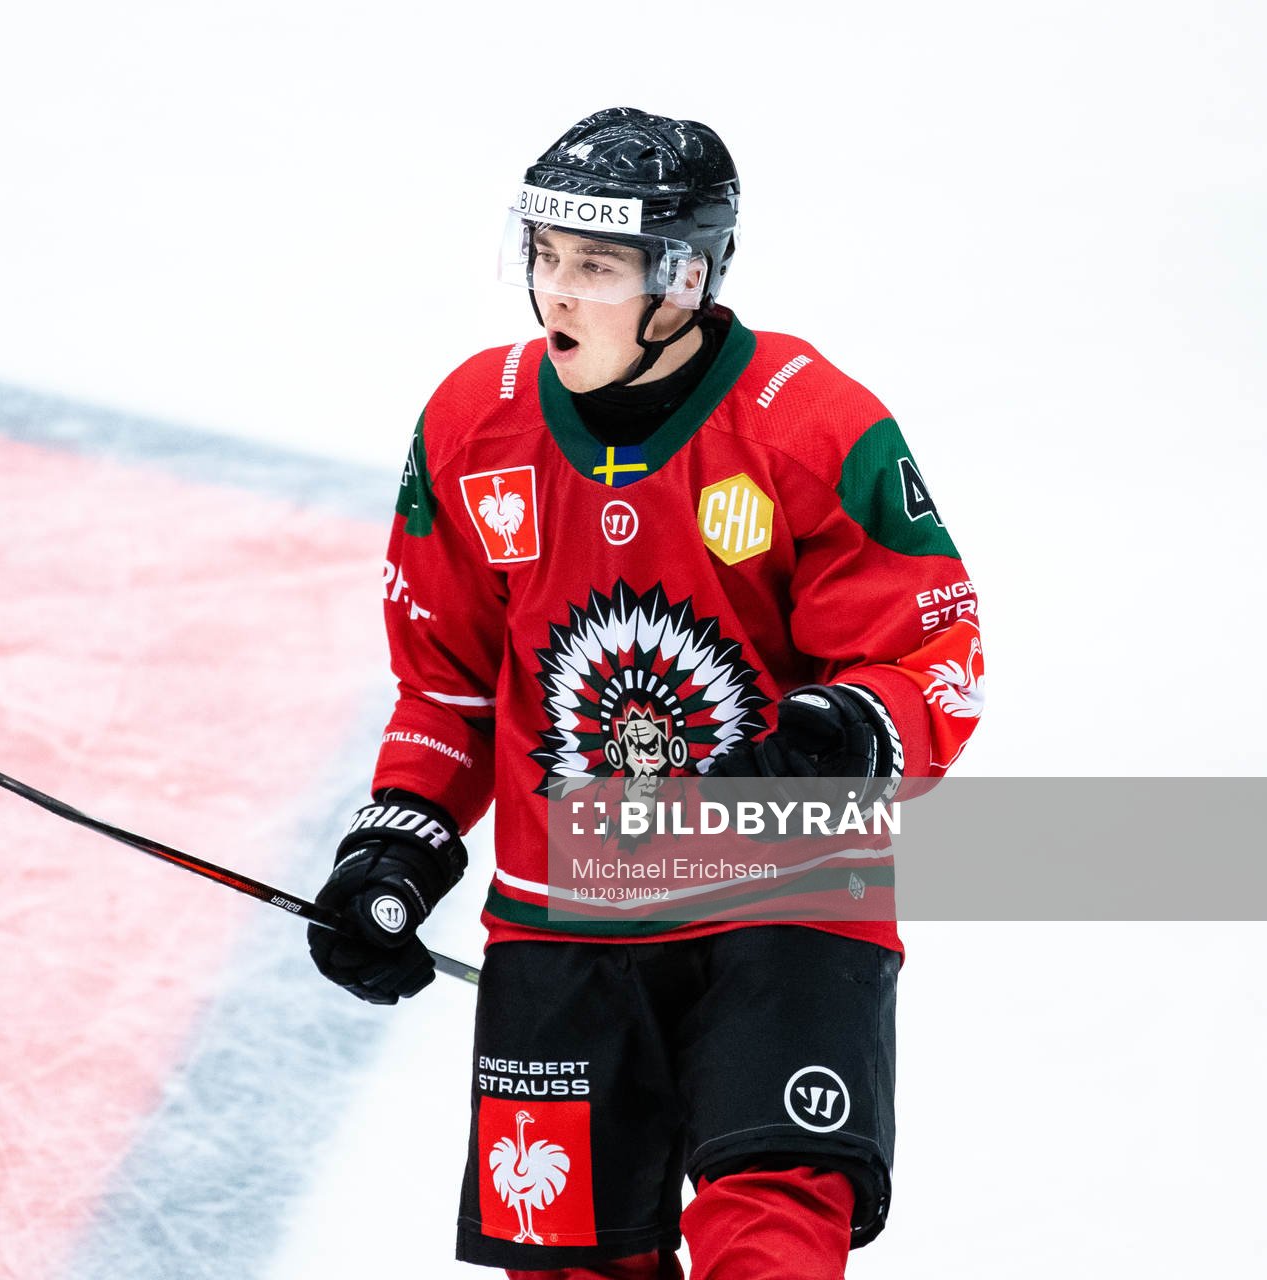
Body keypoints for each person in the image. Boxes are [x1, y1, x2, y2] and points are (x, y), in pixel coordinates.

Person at [307, 107, 984, 1280]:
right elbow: (447, 681)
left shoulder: (815, 424)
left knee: (770, 1236)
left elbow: (931, 648)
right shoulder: (475, 424)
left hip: (784, 889)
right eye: (546, 256)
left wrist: (842, 730)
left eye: (597, 266)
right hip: (561, 906)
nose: (557, 293)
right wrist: (401, 836)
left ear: (683, 275)